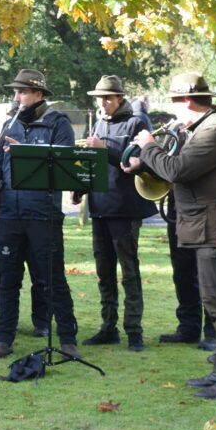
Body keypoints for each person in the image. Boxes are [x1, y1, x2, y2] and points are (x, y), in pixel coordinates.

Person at [124, 73, 216, 399]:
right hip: (207, 223)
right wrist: (144, 163)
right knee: (215, 298)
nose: (173, 110)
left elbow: (178, 170)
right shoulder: (200, 128)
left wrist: (149, 146)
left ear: (187, 101)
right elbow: (177, 169)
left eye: (175, 102)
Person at [0, 68, 80, 361]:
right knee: (7, 280)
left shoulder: (59, 124)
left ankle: (67, 339)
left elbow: (64, 167)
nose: (16, 97)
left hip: (44, 216)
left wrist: (26, 151)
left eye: (23, 92)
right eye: (15, 92)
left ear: (38, 94)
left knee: (52, 281)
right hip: (9, 215)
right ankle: (4, 339)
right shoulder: (10, 124)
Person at [77, 75, 157, 352]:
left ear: (120, 98)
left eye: (108, 98)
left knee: (130, 272)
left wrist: (105, 149)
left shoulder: (137, 122)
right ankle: (107, 328)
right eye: (99, 98)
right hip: (99, 207)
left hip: (126, 207)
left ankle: (134, 331)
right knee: (104, 272)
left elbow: (139, 160)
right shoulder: (99, 121)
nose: (103, 102)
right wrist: (80, 187)